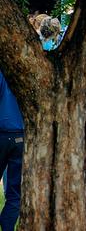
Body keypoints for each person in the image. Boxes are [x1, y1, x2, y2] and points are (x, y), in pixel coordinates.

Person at [0, 70, 23, 231]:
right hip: (21, 134)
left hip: (2, 133)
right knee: (15, 193)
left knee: (14, 193)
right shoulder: (25, 72)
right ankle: (7, 226)